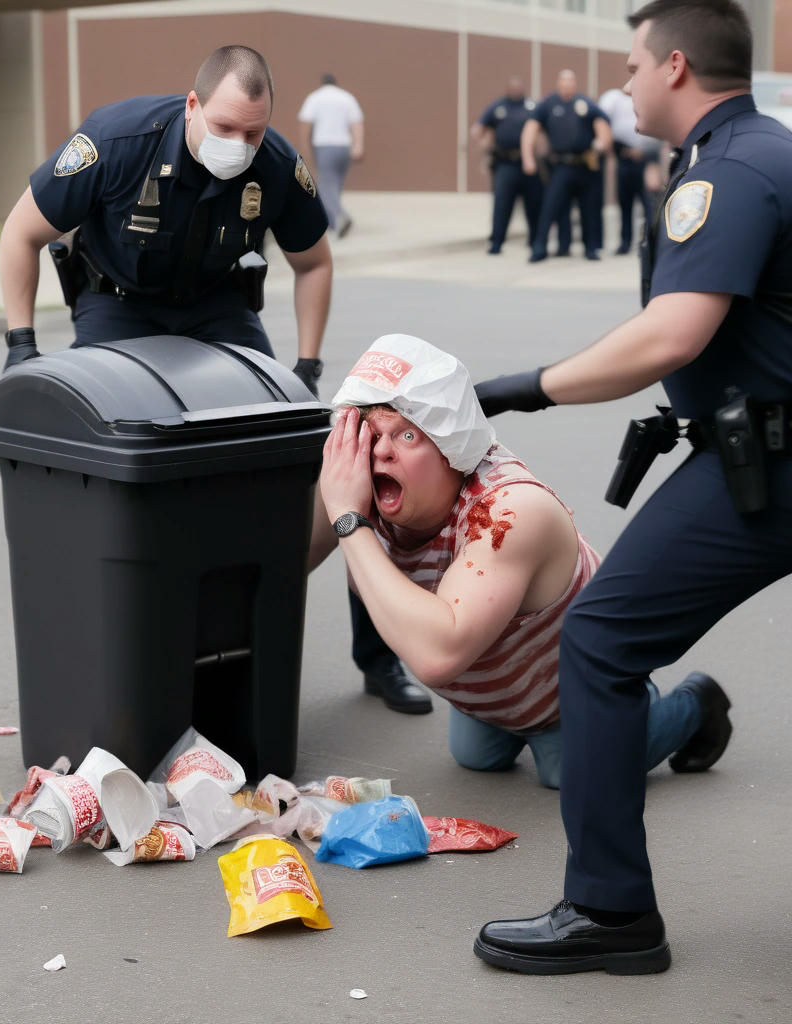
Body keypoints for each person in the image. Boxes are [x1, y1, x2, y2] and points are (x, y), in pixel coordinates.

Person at [472, 0, 792, 975]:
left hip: (771, 462)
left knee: (601, 637)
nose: (621, 83)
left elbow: (670, 335)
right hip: (752, 443)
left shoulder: (727, 171)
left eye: (630, 65)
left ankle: (609, 910)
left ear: (677, 66)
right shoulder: (757, 152)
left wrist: (521, 389)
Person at [310, 334, 728, 788]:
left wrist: (349, 522)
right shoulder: (360, 483)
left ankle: (690, 704)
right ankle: (512, 719)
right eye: (368, 434)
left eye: (407, 434)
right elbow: (287, 565)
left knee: (567, 772)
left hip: (573, 689)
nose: (381, 452)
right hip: (495, 689)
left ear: (453, 447)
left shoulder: (509, 510)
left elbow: (436, 656)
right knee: (476, 757)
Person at [0, 45, 332, 396]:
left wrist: (307, 367)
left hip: (215, 303)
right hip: (119, 301)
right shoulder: (116, 143)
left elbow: (313, 264)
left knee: (269, 407)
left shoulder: (277, 166)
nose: (238, 145)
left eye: (252, 133)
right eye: (224, 127)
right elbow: (21, 233)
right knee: (100, 413)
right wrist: (21, 345)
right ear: (192, 106)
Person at [522, 70, 612, 262]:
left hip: (585, 164)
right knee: (550, 207)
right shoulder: (548, 104)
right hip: (561, 165)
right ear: (558, 83)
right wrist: (527, 157)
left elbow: (602, 125)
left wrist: (601, 144)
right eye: (564, 80)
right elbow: (531, 128)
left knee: (588, 208)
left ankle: (591, 248)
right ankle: (540, 247)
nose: (567, 84)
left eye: (571, 80)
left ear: (575, 83)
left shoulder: (585, 103)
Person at [473, 77, 542, 255]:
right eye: (512, 86)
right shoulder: (498, 107)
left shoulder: (531, 106)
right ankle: (496, 242)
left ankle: (535, 240)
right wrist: (484, 147)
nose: (515, 89)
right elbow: (479, 128)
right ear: (507, 88)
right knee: (502, 204)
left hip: (527, 162)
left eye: (518, 86)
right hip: (505, 163)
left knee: (533, 203)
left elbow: (542, 130)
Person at [297, 73, 364, 238]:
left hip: (324, 145)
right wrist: (358, 145)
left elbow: (305, 123)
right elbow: (356, 122)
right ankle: (333, 221)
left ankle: (341, 217)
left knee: (326, 185)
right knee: (336, 184)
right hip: (344, 145)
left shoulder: (315, 97)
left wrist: (305, 147)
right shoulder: (347, 98)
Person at [598, 85, 664, 254]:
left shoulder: (651, 103)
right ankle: (625, 242)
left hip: (645, 160)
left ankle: (652, 243)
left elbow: (659, 138)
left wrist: (648, 158)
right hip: (624, 159)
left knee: (649, 204)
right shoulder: (616, 102)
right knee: (624, 203)